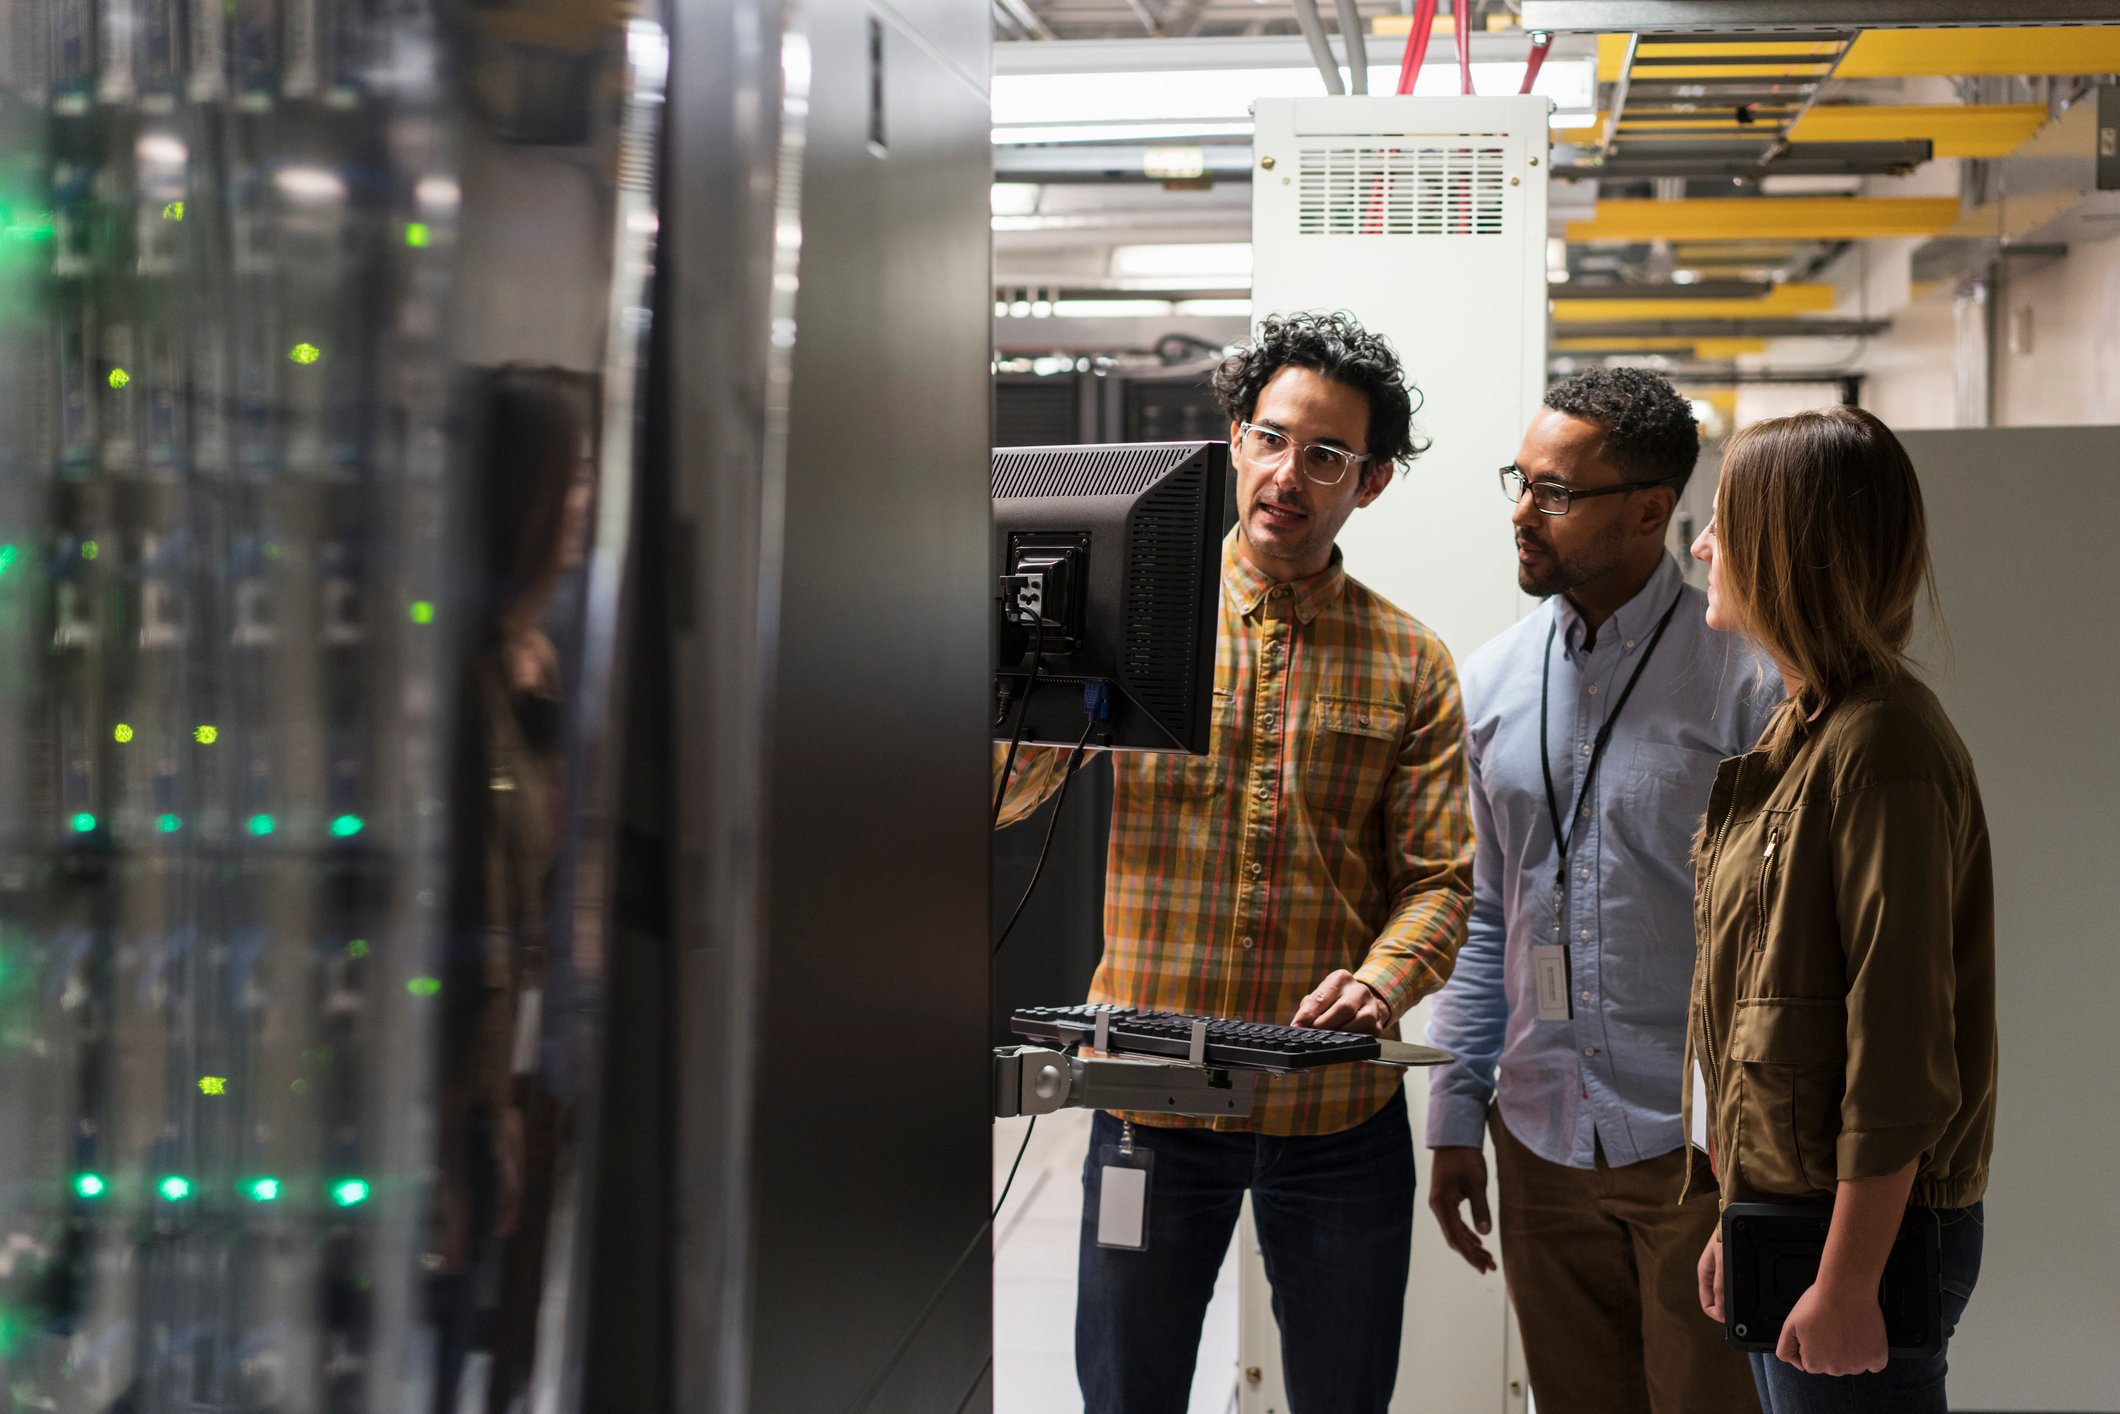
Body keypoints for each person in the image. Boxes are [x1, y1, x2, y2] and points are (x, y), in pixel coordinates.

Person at [995, 311, 1473, 1414]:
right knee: (1126, 1394)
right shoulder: (1131, 619)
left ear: (1372, 482)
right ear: (1234, 440)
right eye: (1269, 439)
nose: (1287, 476)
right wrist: (1030, 674)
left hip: (1333, 1118)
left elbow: (1441, 879)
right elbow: (1001, 801)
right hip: (1147, 1101)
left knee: (1342, 1397)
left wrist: (1383, 979)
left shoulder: (1410, 662)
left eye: (1325, 456)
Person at [1424, 369, 1776, 1414]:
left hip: (1696, 1154)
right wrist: (1453, 1113)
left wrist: (1759, 1164)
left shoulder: (1744, 680)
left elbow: (1775, 941)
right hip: (1536, 1140)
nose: (1522, 514)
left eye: (1556, 493)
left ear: (1648, 510)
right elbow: (1491, 914)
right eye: (1519, 483)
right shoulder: (1489, 683)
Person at [1688, 406, 1995, 1413]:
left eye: (1722, 525)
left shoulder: (1879, 747)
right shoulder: (1807, 730)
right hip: (1793, 1216)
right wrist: (1738, 1214)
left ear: (1786, 552)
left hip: (1859, 1234)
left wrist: (1847, 1279)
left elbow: (1899, 1045)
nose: (1699, 548)